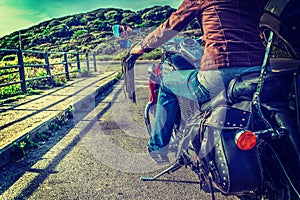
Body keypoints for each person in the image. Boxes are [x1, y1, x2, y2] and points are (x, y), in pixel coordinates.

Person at [130, 0, 268, 164]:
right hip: (260, 69)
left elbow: (172, 24)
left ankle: (157, 147)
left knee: (167, 84)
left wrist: (142, 47)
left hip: (221, 69)